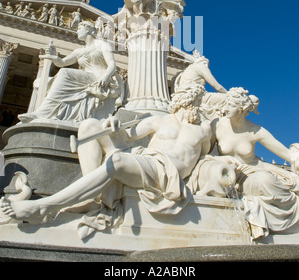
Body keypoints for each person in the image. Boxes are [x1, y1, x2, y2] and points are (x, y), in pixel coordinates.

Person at [0, 85, 219, 227]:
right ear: (180, 101)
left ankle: (45, 205)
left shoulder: (204, 130)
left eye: (197, 102)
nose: (195, 106)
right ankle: (91, 199)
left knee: (116, 160)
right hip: (145, 158)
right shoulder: (159, 121)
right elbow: (129, 135)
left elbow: (207, 157)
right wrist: (114, 125)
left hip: (165, 172)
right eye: (192, 101)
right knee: (89, 125)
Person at [210, 87, 299, 239]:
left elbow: (287, 154)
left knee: (275, 180)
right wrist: (221, 159)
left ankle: (292, 216)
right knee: (265, 180)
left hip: (255, 170)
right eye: (226, 104)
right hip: (235, 175)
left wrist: (296, 153)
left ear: (242, 109)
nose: (225, 108)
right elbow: (205, 153)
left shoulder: (255, 130)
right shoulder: (216, 125)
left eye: (230, 105)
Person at [18, 21, 122, 124]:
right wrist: (54, 55)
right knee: (57, 75)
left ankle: (42, 112)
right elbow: (62, 63)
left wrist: (105, 77)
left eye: (79, 29)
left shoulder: (102, 45)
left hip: (99, 78)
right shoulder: (79, 51)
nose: (77, 32)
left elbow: (112, 64)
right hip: (86, 77)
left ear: (89, 30)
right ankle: (43, 112)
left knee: (64, 73)